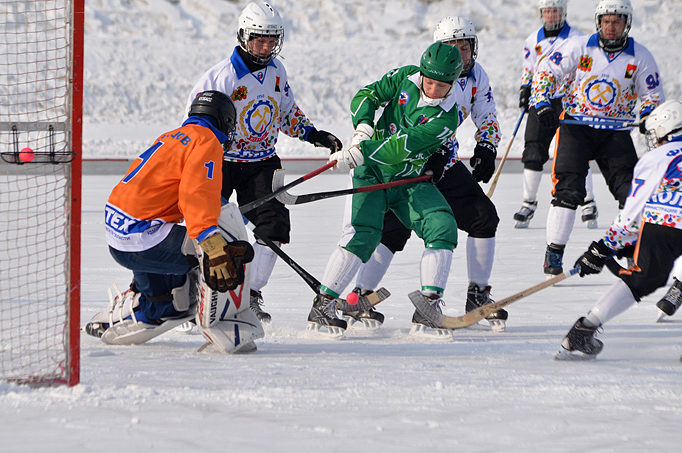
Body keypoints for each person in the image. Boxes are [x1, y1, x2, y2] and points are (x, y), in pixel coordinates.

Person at [345, 16, 507, 332]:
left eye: (465, 46)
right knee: (391, 228)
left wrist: (487, 145)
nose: (460, 54)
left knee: (483, 217)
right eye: (452, 47)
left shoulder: (476, 76)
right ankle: (359, 297)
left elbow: (487, 114)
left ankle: (477, 295)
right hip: (403, 164)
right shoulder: (423, 76)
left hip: (442, 164)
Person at [184, 1, 342, 323]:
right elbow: (195, 124)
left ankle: (251, 296)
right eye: (260, 40)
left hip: (262, 163)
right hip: (221, 162)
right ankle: (190, 294)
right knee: (202, 225)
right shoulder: (220, 77)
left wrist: (314, 134)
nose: (266, 47)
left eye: (272, 40)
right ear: (244, 37)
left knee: (275, 227)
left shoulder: (277, 71)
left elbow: (285, 111)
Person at [85, 91, 264, 353]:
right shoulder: (207, 141)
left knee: (172, 305)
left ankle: (157, 304)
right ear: (224, 121)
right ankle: (226, 327)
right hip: (142, 237)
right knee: (224, 250)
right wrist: (210, 243)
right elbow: (195, 194)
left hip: (120, 232)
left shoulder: (171, 136)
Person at [306, 41, 464, 338]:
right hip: (371, 174)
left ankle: (428, 308)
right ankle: (323, 304)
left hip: (407, 179)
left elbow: (398, 148)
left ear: (453, 83)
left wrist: (360, 150)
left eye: (441, 86)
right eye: (428, 82)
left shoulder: (446, 118)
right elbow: (367, 95)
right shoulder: (406, 76)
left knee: (441, 223)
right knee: (363, 233)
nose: (432, 90)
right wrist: (363, 127)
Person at [531, 0, 664, 276]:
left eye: (617, 21)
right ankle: (554, 252)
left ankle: (630, 249)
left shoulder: (640, 56)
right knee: (569, 189)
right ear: (598, 23)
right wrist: (542, 101)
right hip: (577, 125)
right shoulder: (579, 46)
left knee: (631, 190)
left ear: (627, 23)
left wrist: (648, 114)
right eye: (606, 21)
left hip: (615, 130)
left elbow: (652, 94)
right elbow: (546, 72)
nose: (611, 27)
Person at [556, 100, 682, 360]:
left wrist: (602, 249)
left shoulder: (657, 156)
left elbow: (633, 212)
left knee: (641, 279)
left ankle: (583, 330)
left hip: (665, 224)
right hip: (667, 224)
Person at [514, 0, 600, 229]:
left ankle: (588, 201)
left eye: (555, 11)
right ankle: (528, 202)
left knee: (574, 151)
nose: (551, 16)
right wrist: (525, 88)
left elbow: (586, 68)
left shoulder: (579, 39)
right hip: (541, 99)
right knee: (533, 150)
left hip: (568, 100)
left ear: (563, 13)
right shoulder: (532, 40)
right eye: (547, 12)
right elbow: (529, 68)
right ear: (542, 14)